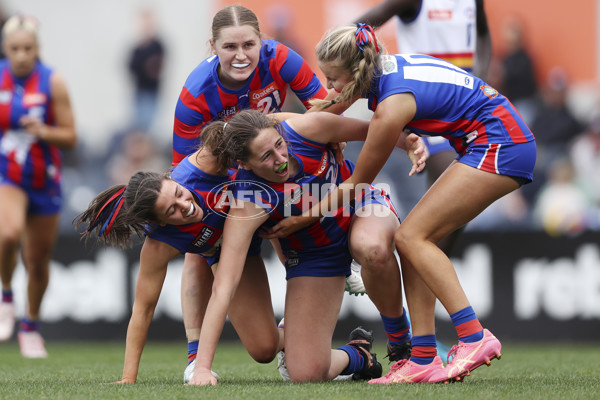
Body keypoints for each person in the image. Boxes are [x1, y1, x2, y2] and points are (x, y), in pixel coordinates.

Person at [267, 24, 536, 383]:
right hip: (495, 141)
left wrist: (302, 219)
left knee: (411, 238)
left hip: (500, 145)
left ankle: (473, 336)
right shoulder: (384, 69)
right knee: (412, 240)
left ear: (355, 73)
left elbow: (356, 183)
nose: (329, 87)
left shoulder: (391, 106)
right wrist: (268, 125)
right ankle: (422, 357)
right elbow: (329, 108)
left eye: (333, 78)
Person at [171, 5, 362, 380]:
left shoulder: (280, 58)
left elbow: (324, 105)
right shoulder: (194, 97)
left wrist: (330, 133)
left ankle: (344, 292)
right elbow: (189, 179)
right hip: (228, 183)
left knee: (287, 202)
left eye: (248, 45)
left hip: (270, 160)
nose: (240, 55)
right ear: (212, 46)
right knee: (198, 247)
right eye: (229, 47)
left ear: (263, 42)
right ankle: (196, 358)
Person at [188, 109, 426, 385]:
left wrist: (409, 141)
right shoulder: (248, 200)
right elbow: (224, 286)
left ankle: (400, 344)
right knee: (305, 374)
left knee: (371, 247)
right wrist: (202, 368)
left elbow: (377, 128)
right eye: (266, 157)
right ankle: (359, 355)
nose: (280, 159)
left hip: (359, 204)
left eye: (278, 144)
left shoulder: (307, 129)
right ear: (245, 164)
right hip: (316, 252)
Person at [74, 128, 279, 384]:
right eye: (173, 210)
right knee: (264, 350)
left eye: (179, 193)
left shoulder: (203, 164)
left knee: (201, 248)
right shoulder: (160, 243)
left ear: (172, 179)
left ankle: (196, 358)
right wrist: (128, 377)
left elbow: (253, 128)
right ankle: (200, 359)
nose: (187, 206)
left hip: (276, 208)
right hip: (232, 250)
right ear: (159, 223)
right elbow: (142, 310)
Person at [354, 0, 492, 255]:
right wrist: (375, 73)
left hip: (465, 108)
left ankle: (423, 265)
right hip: (426, 110)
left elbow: (482, 34)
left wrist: (480, 75)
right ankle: (418, 257)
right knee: (461, 185)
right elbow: (356, 29)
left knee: (451, 208)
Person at [0, 15, 77, 358]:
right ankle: (5, 297)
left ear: (37, 49)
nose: (21, 55)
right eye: (14, 48)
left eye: (27, 48)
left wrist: (43, 131)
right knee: (7, 234)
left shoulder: (52, 82)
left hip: (44, 179)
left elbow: (71, 136)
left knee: (38, 261)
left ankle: (31, 326)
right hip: (8, 175)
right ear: (5, 49)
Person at [127, 8, 165, 132]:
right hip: (140, 90)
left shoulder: (157, 46)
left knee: (149, 124)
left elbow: (156, 67)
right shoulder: (138, 48)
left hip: (152, 91)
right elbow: (131, 67)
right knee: (138, 124)